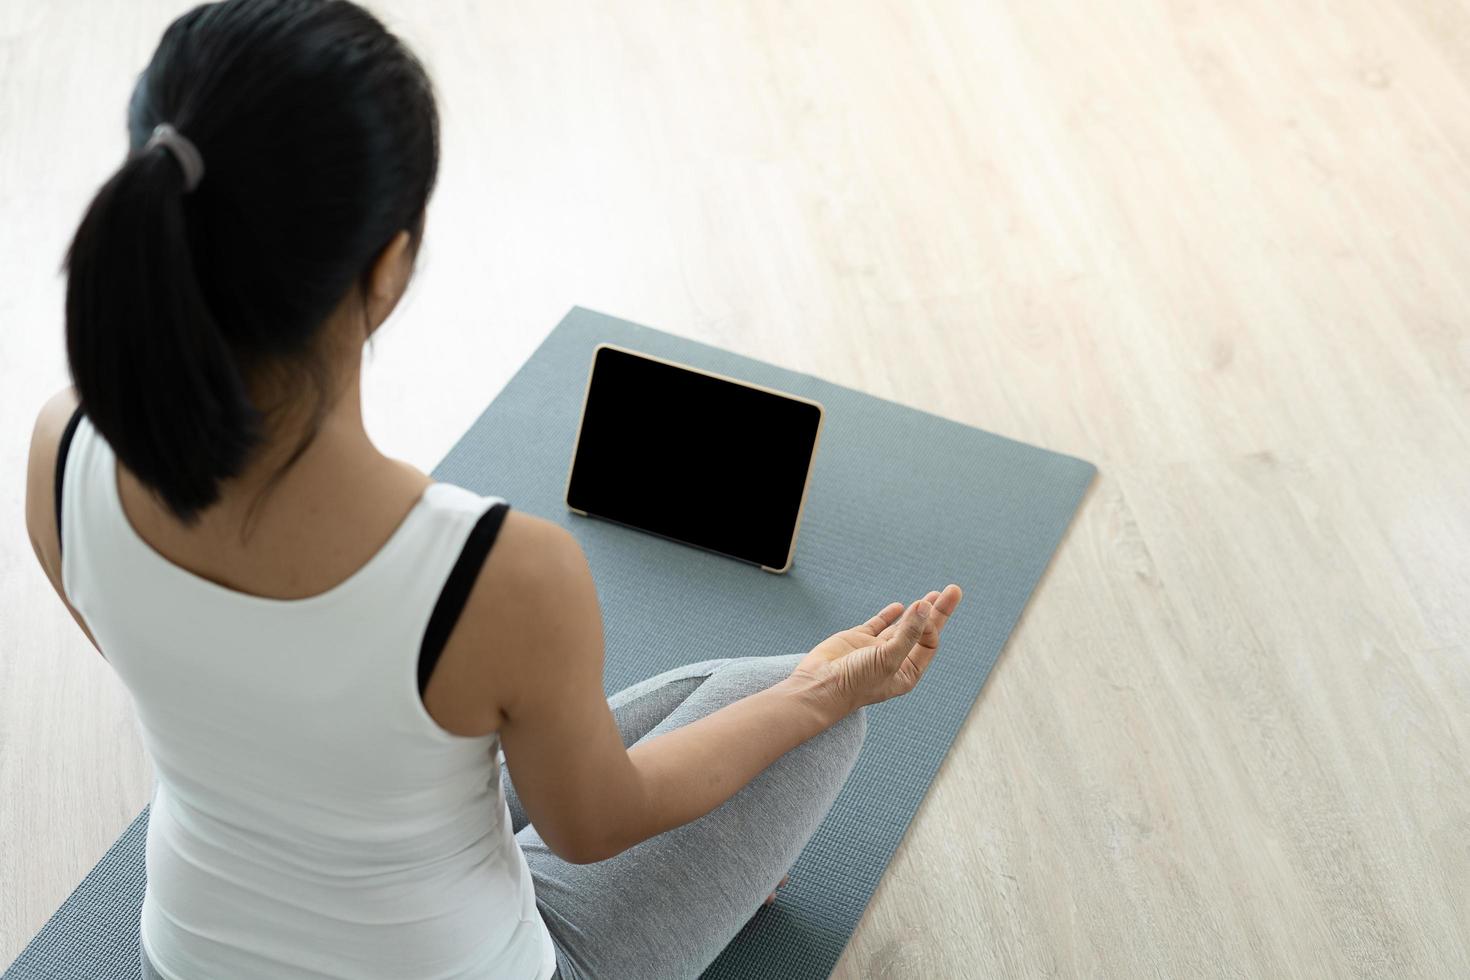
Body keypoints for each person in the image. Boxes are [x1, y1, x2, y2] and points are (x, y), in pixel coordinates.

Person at [22, 1, 965, 977]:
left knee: (480, 741)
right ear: (389, 262)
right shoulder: (494, 571)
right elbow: (602, 822)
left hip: (183, 959)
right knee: (795, 707)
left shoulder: (60, 450)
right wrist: (819, 692)